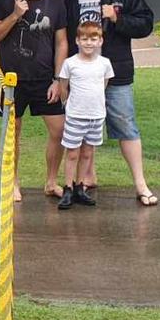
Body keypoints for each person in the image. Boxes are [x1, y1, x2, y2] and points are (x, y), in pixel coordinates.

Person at [57, 0, 157, 206]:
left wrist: (117, 18)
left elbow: (146, 23)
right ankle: (86, 178)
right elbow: (60, 36)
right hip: (79, 77)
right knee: (83, 130)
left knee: (126, 125)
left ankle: (141, 184)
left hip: (115, 73)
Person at [0, 0, 67, 201]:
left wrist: (59, 79)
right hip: (11, 81)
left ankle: (51, 182)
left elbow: (61, 43)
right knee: (13, 134)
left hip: (45, 79)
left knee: (60, 130)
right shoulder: (4, 1)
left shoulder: (56, 4)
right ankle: (14, 183)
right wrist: (15, 15)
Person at [57, 21, 114, 210]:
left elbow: (103, 85)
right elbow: (63, 88)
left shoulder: (104, 63)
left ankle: (81, 187)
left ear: (100, 41)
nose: (89, 43)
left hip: (96, 115)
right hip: (75, 115)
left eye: (93, 39)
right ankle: (68, 187)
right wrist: (69, 106)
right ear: (77, 40)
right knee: (72, 153)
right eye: (84, 39)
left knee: (88, 153)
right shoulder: (70, 63)